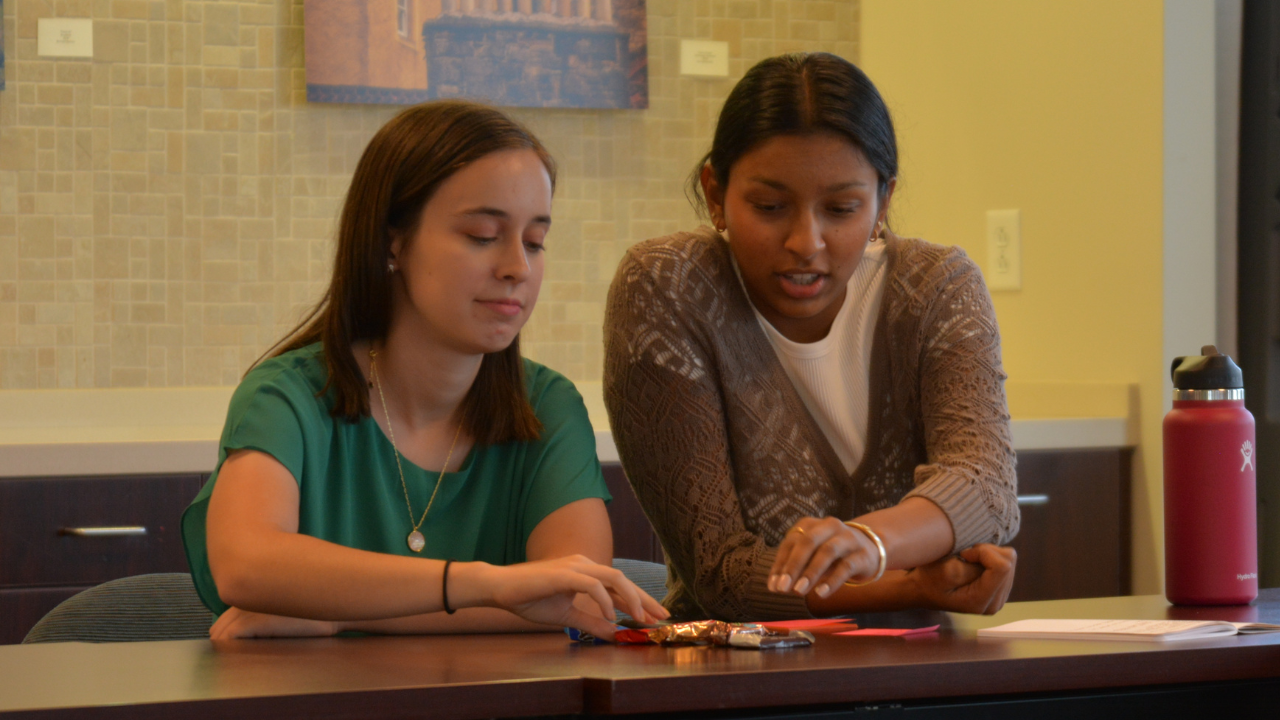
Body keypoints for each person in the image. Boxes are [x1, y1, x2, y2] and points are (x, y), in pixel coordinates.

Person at [182, 101, 667, 640]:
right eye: (484, 235)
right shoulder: (288, 396)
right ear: (393, 241)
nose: (517, 268)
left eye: (535, 242)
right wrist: (490, 587)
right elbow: (247, 565)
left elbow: (576, 602)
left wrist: (337, 610)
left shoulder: (546, 405)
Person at [603, 53, 1019, 622]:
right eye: (770, 206)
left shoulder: (936, 287)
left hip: (917, 676)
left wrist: (869, 544)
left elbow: (985, 485)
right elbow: (718, 570)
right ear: (715, 192)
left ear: (883, 202)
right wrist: (909, 587)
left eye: (841, 208)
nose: (806, 241)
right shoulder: (671, 285)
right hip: (737, 680)